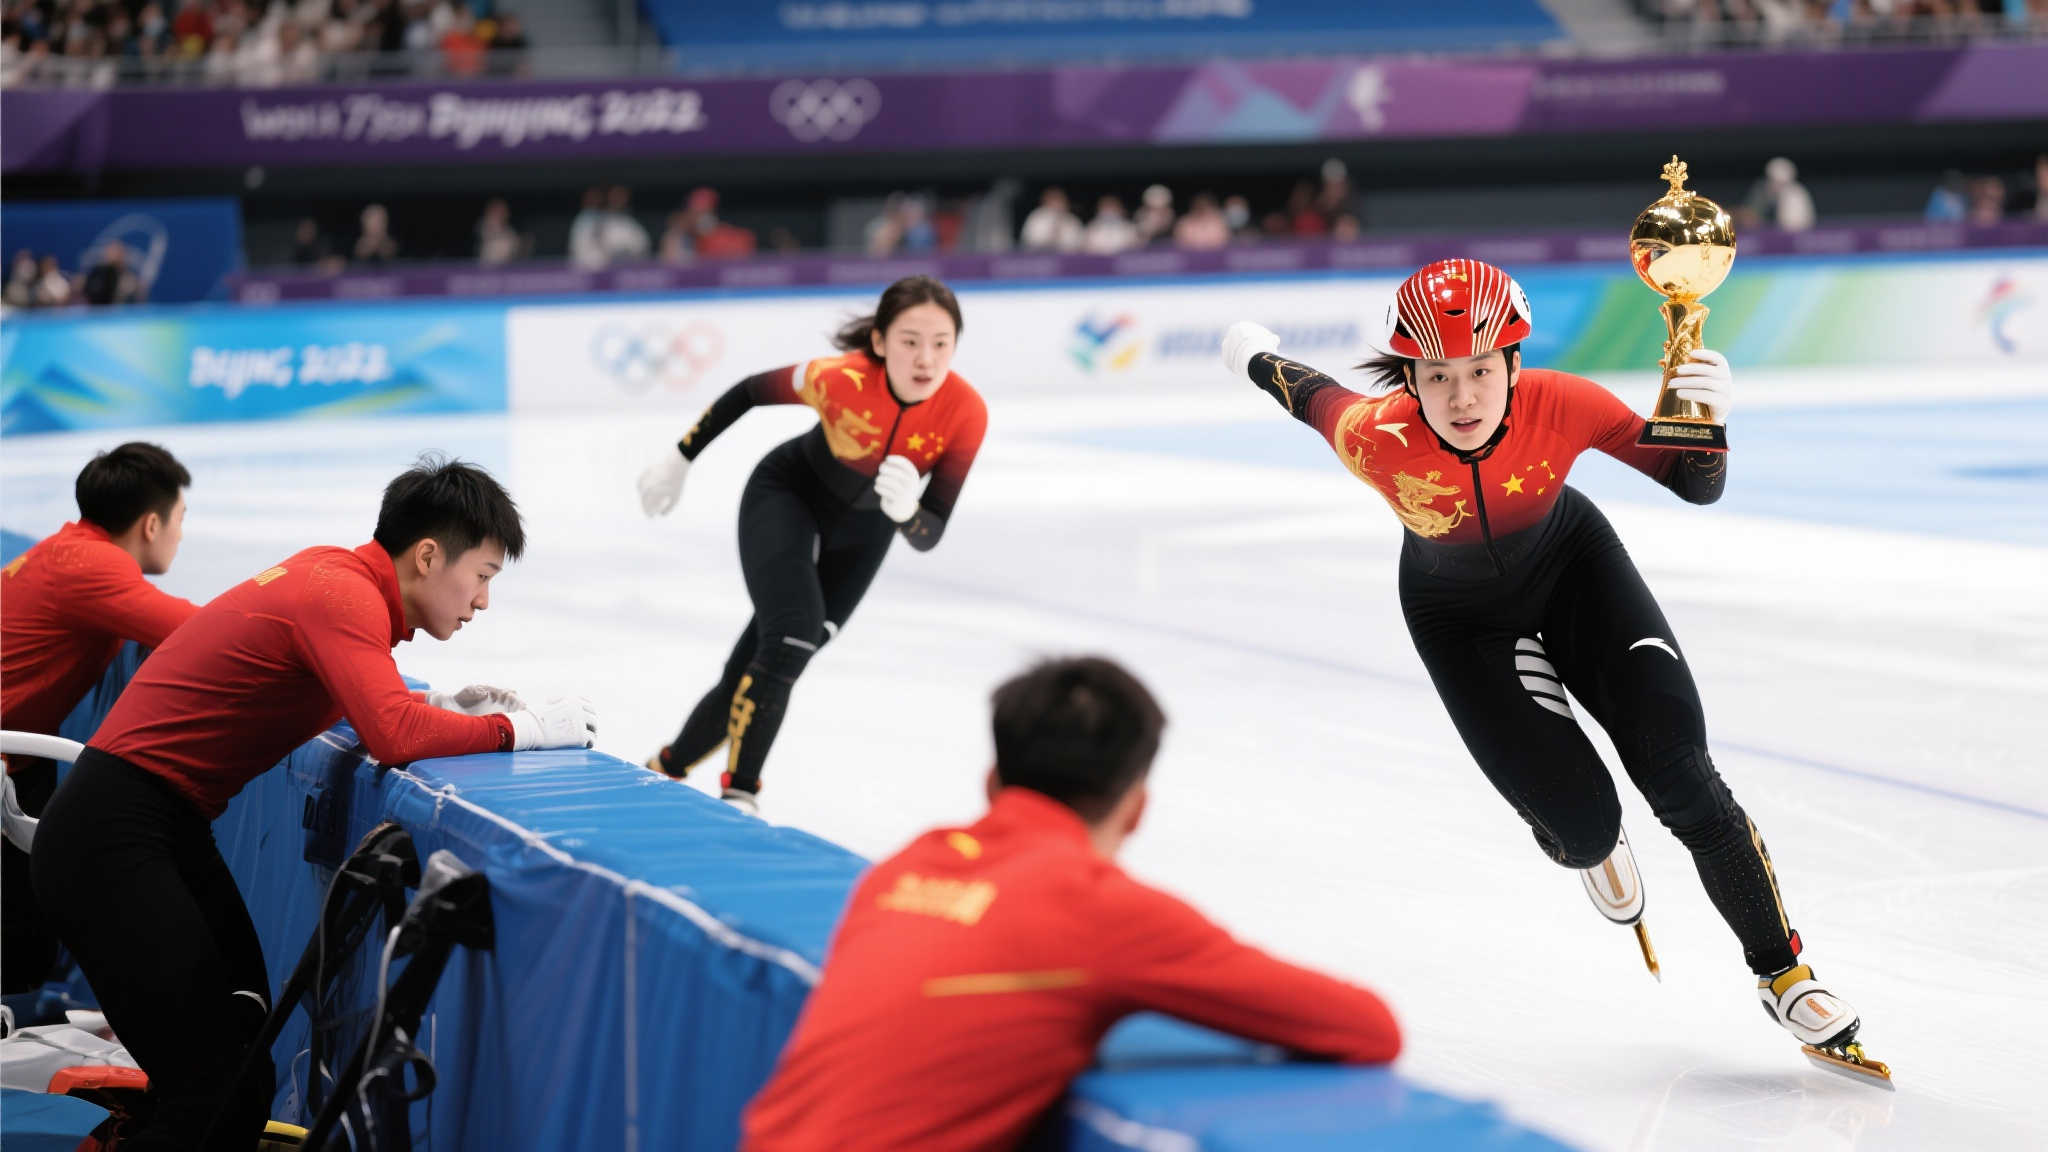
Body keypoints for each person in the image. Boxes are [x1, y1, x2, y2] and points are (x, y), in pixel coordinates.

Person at [1218, 258, 1881, 1077]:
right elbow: (1308, 392)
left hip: (1575, 570)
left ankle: (1784, 973)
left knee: (1682, 774)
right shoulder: (1373, 435)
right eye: (1438, 376)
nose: (1462, 397)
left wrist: (1704, 423)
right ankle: (1590, 842)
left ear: (1513, 365)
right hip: (1460, 622)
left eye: (1481, 372)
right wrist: (1250, 353)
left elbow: (1691, 483)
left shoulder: (1564, 403)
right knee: (1583, 828)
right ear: (1410, 379)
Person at [30, 457, 597, 1151]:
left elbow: (361, 698)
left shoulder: (336, 576)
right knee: (213, 1091)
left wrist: (435, 704)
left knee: (241, 1050)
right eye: (481, 576)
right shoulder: (343, 595)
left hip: (152, 822)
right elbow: (393, 737)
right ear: (427, 557)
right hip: (116, 831)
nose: (482, 601)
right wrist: (519, 730)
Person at [741, 656, 1402, 1150]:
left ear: (992, 781)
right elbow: (1367, 1028)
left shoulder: (905, 868)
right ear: (1136, 808)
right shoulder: (1099, 910)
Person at [637, 276, 988, 812]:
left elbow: (930, 532)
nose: (926, 358)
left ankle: (665, 768)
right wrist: (680, 458)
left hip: (867, 531)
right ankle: (740, 792)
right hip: (788, 495)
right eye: (910, 341)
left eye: (942, 343)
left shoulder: (966, 412)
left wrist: (908, 513)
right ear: (879, 341)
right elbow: (750, 391)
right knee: (792, 635)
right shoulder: (839, 378)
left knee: (770, 660)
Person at [2, 443, 200, 996]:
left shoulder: (65, 551)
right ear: (152, 523)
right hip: (13, 756)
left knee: (29, 933)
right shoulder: (93, 566)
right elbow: (204, 632)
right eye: (181, 519)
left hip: (21, 756)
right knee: (22, 941)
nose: (181, 535)